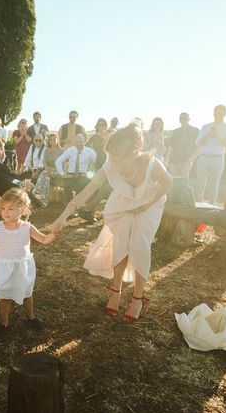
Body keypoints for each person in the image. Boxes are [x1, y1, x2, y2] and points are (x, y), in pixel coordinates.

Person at [52, 125, 172, 323]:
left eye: (117, 157)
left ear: (134, 152)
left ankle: (138, 298)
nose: (113, 161)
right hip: (124, 203)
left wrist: (145, 205)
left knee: (139, 244)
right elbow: (87, 191)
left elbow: (168, 183)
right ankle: (115, 290)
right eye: (112, 156)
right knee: (122, 241)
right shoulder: (110, 165)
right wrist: (63, 216)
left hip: (150, 203)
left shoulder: (151, 164)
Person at [0, 188, 56, 335]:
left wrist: (53, 234)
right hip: (4, 266)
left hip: (22, 266)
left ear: (22, 209)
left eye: (11, 209)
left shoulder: (27, 227)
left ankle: (31, 317)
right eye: (3, 208)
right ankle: (4, 322)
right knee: (5, 295)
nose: (5, 212)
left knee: (27, 293)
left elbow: (44, 239)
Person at [195, 105, 226, 204]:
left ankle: (211, 207)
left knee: (214, 186)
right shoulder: (206, 127)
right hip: (203, 157)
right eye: (215, 114)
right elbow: (198, 143)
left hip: (218, 159)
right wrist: (208, 135)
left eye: (220, 114)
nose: (217, 116)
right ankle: (198, 206)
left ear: (225, 114)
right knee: (200, 185)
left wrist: (217, 136)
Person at [55, 134, 98, 207]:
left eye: (80, 142)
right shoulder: (71, 150)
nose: (78, 144)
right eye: (77, 142)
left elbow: (98, 164)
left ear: (85, 141)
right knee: (67, 187)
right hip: (71, 174)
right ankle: (70, 205)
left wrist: (90, 174)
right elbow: (58, 161)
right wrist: (62, 174)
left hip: (82, 175)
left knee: (80, 186)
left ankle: (78, 206)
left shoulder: (90, 152)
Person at [32, 133, 64, 206]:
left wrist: (54, 170)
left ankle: (35, 194)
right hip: (48, 171)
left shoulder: (61, 150)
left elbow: (63, 165)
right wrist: (50, 170)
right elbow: (45, 164)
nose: (52, 141)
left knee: (44, 174)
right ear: (48, 141)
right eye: (50, 140)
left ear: (57, 140)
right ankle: (44, 201)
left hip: (59, 171)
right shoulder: (46, 151)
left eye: (54, 139)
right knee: (46, 177)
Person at [166, 112, 200, 179]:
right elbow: (171, 146)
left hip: (186, 160)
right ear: (179, 120)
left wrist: (193, 157)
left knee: (184, 181)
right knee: (174, 181)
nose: (183, 119)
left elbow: (200, 145)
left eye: (185, 118)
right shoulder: (176, 131)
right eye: (181, 118)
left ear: (189, 119)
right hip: (174, 160)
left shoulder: (195, 130)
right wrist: (167, 157)